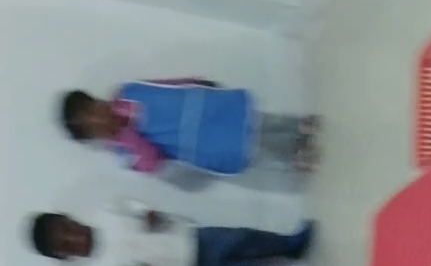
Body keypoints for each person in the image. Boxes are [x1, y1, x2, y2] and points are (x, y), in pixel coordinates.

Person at [29, 208, 316, 266]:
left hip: (189, 238)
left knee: (243, 239)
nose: (74, 237)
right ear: (67, 257)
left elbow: (138, 208)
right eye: (67, 244)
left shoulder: (106, 214)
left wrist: (151, 215)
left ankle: (290, 244)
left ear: (71, 219)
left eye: (68, 229)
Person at [60, 85, 320, 175]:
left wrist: (193, 83)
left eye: (93, 109)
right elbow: (151, 162)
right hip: (198, 143)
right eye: (91, 125)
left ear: (98, 101)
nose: (98, 118)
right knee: (250, 149)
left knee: (254, 119)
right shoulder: (122, 152)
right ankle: (292, 157)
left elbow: (163, 88)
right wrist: (126, 135)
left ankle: (297, 125)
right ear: (94, 136)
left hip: (202, 109)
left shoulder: (129, 91)